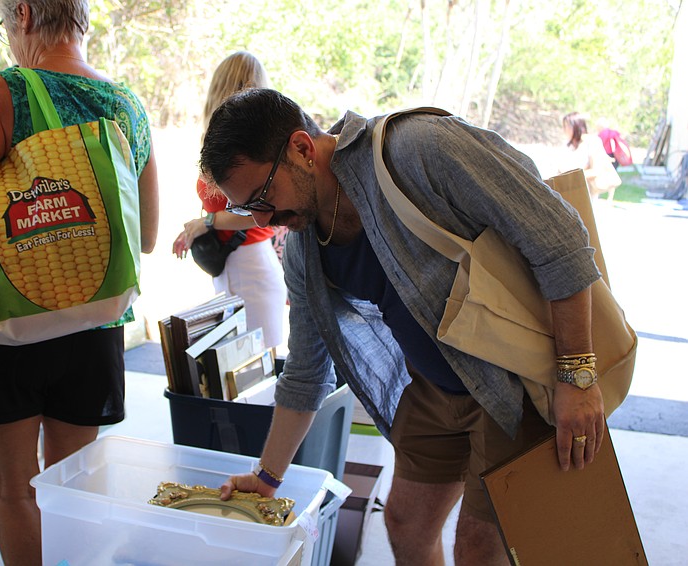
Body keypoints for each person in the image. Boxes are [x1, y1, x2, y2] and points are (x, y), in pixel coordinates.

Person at [201, 89, 605, 565]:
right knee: (407, 525)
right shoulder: (303, 250)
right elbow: (308, 371)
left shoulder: (418, 148)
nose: (262, 219)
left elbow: (559, 238)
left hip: (508, 377)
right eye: (247, 209)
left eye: (262, 197)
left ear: (302, 149)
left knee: (479, 547)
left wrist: (577, 375)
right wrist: (267, 477)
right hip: (434, 388)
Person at [0, 0, 159, 563]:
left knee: (17, 491)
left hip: (6, 326)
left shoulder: (4, 91)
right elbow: (148, 234)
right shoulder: (127, 105)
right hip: (93, 324)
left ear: (25, 15)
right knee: (70, 491)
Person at [173, 51, 286, 351]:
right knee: (240, 365)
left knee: (258, 364)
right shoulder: (223, 143)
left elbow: (261, 211)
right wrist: (199, 226)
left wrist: (208, 222)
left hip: (252, 266)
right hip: (234, 266)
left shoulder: (253, 144)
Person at [561, 112, 622, 201]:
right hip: (567, 193)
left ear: (576, 126)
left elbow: (596, 171)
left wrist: (572, 177)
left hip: (586, 195)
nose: (564, 129)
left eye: (567, 126)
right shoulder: (567, 145)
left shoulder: (592, 142)